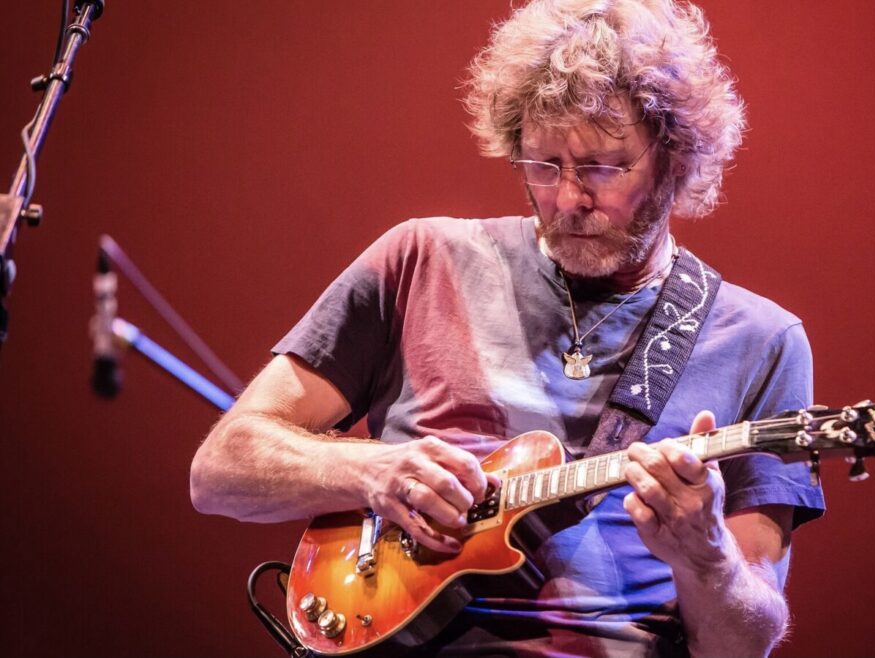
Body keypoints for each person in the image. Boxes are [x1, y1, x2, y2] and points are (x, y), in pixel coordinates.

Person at [190, 1, 824, 655]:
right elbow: (221, 468)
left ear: (674, 159)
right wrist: (371, 470)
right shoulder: (419, 258)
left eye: (604, 167)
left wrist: (707, 556)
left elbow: (744, 645)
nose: (569, 198)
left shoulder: (761, 342)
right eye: (543, 165)